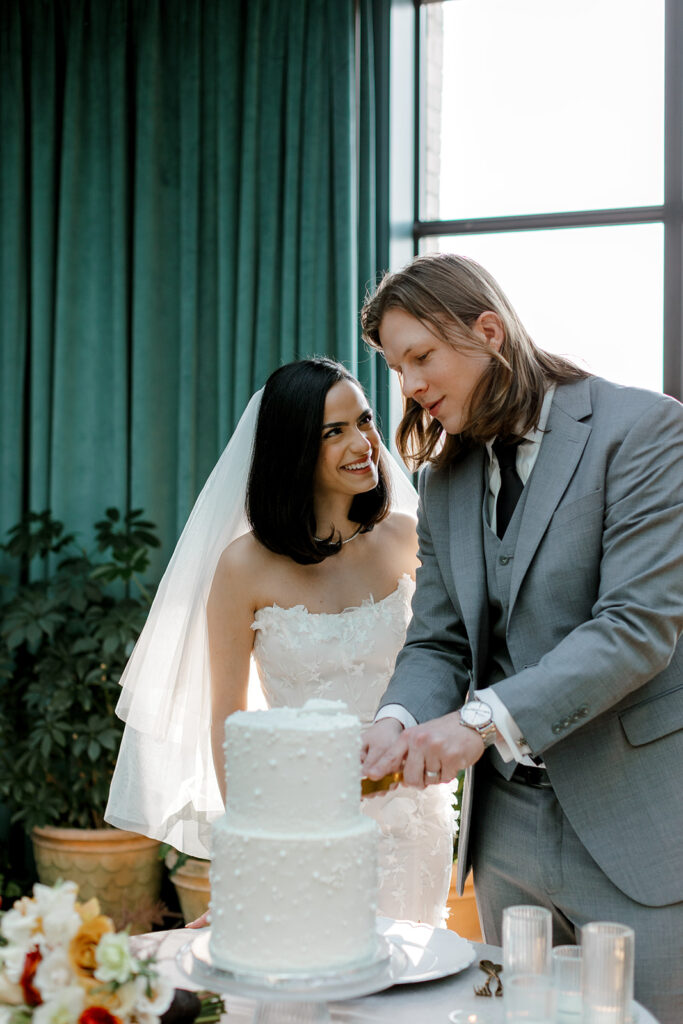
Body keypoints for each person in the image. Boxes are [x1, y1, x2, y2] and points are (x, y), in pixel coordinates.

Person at [359, 253, 683, 1023]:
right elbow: (437, 640)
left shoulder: (643, 431)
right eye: (396, 366)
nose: (408, 386)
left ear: (488, 332)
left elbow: (635, 629)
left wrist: (478, 722)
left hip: (637, 825)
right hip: (504, 840)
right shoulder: (443, 481)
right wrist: (394, 720)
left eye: (420, 357)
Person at [106, 357, 454, 926]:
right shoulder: (244, 567)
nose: (363, 442)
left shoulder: (407, 537)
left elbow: (448, 654)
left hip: (413, 817)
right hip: (300, 815)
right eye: (333, 432)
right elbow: (228, 718)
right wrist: (251, 849)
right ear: (293, 450)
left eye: (364, 421)